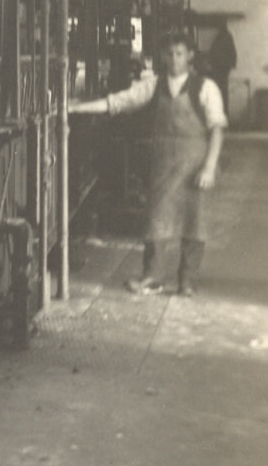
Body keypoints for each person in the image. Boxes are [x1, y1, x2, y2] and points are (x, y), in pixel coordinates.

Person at [69, 29, 227, 296]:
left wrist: (209, 167)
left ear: (190, 56)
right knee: (157, 220)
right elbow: (118, 102)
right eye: (170, 54)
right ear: (163, 56)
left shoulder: (205, 87)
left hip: (197, 163)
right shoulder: (154, 85)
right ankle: (153, 277)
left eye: (180, 53)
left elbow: (217, 129)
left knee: (195, 222)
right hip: (164, 163)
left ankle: (187, 281)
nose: (174, 59)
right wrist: (75, 108)